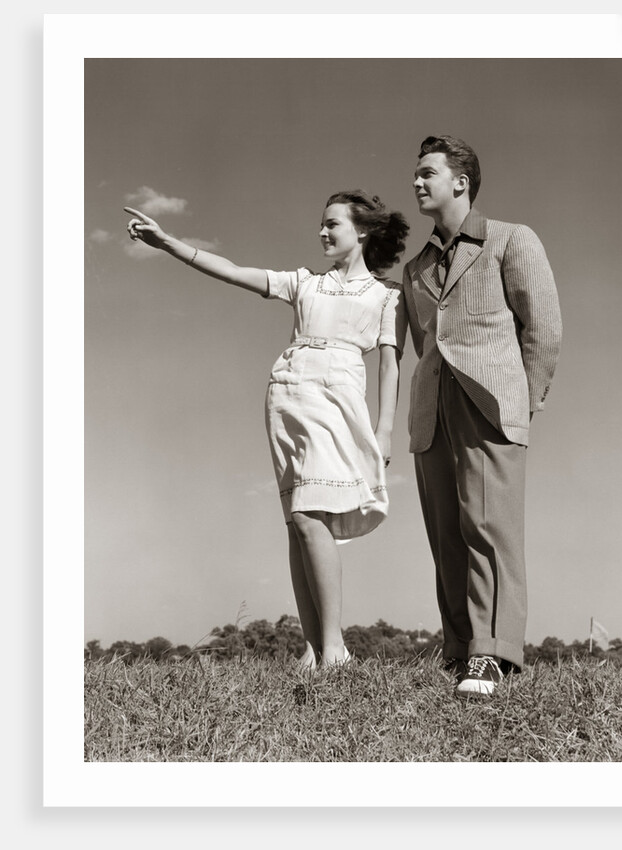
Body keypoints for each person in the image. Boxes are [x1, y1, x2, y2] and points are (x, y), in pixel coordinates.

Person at [124, 191, 408, 670]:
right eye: (321, 223)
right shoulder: (305, 282)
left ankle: (335, 647)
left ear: (362, 230)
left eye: (332, 224)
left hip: (338, 396)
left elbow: (391, 365)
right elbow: (232, 271)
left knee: (312, 514)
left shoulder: (388, 295)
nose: (322, 231)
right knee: (298, 521)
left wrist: (384, 431)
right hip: (287, 394)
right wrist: (168, 242)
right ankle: (314, 648)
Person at [403, 135, 562, 695]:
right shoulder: (416, 267)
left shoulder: (512, 240)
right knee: (447, 534)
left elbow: (543, 328)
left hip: (491, 404)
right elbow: (422, 343)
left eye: (428, 172)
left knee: (489, 530)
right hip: (432, 411)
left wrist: (521, 403)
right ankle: (460, 651)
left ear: (461, 181)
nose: (417, 182)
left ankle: (492, 654)